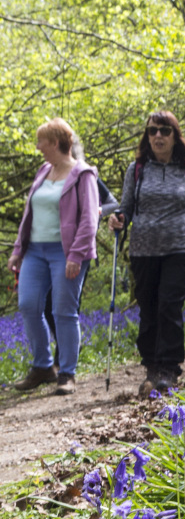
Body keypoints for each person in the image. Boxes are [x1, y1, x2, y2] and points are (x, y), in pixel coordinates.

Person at [109, 111, 185, 396]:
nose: (157, 136)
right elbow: (126, 210)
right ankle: (152, 366)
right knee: (148, 308)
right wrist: (117, 219)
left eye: (164, 131)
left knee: (169, 305)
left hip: (179, 249)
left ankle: (169, 369)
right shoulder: (136, 170)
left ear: (175, 136)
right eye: (152, 131)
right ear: (147, 137)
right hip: (143, 251)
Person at [8, 118, 98, 396]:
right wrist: (18, 251)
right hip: (35, 250)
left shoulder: (83, 174)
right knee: (28, 305)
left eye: (41, 142)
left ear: (56, 143)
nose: (38, 147)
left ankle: (67, 373)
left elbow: (89, 219)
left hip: (67, 253)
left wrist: (76, 254)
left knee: (63, 311)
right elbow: (29, 214)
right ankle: (43, 367)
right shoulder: (43, 171)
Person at [44, 138, 118, 370]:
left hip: (78, 250)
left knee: (66, 305)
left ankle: (63, 360)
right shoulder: (50, 177)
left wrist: (98, 210)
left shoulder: (88, 177)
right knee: (46, 305)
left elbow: (114, 204)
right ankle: (66, 350)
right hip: (50, 248)